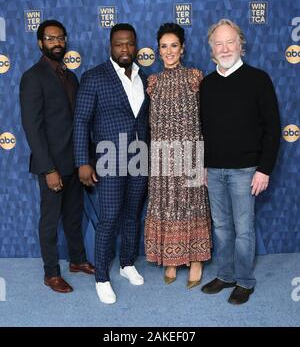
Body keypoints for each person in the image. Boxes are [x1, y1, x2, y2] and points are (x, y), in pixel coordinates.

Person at [200, 19, 281, 304]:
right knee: (221, 227)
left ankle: (245, 281)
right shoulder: (207, 85)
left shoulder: (259, 79)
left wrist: (264, 170)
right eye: (218, 43)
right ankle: (226, 274)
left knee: (243, 228)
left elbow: (272, 128)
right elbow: (204, 130)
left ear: (240, 45)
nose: (224, 48)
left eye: (230, 42)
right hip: (214, 170)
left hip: (246, 171)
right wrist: (205, 167)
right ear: (211, 50)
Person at [73, 23, 149, 304]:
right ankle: (102, 278)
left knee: (132, 215)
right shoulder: (94, 77)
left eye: (129, 43)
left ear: (135, 45)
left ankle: (127, 263)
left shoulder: (145, 76)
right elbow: (81, 121)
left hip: (140, 157)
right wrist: (82, 161)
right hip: (109, 159)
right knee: (109, 218)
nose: (125, 49)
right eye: (119, 44)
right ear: (110, 46)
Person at [20, 20, 95, 294]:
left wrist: (82, 158)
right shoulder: (33, 76)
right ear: (40, 43)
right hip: (51, 164)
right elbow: (32, 127)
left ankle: (77, 261)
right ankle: (51, 273)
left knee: (74, 217)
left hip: (74, 162)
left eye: (60, 38)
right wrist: (48, 168)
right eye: (50, 39)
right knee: (50, 221)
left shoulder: (70, 76)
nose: (56, 43)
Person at [144, 23, 212, 288]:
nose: (169, 51)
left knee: (191, 205)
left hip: (192, 154)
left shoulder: (196, 77)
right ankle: (170, 258)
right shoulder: (153, 83)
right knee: (167, 206)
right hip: (162, 156)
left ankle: (195, 259)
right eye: (164, 46)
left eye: (174, 45)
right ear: (159, 51)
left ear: (182, 49)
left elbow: (208, 119)